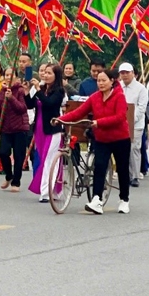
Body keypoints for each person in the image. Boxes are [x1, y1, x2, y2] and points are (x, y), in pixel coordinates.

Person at [54, 69, 131, 214]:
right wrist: (60, 119)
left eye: (104, 80)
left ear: (112, 81)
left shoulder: (119, 96)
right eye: (98, 81)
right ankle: (97, 199)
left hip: (120, 138)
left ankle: (124, 200)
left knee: (122, 169)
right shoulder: (94, 97)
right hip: (101, 138)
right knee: (99, 167)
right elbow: (78, 112)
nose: (100, 83)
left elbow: (120, 117)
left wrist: (99, 122)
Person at [27, 64, 66, 202]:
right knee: (44, 159)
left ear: (56, 76)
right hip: (39, 129)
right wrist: (28, 90)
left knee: (50, 160)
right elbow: (29, 104)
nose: (45, 75)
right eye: (44, 72)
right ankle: (52, 190)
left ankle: (46, 192)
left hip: (52, 129)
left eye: (49, 73)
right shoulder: (41, 88)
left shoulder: (59, 91)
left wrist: (38, 90)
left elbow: (49, 104)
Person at [0, 69, 30, 191]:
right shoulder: (1, 93)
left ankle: (16, 182)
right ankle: (9, 175)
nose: (9, 77)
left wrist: (12, 98)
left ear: (16, 78)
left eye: (11, 75)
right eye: (6, 75)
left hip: (19, 129)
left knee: (19, 156)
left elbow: (22, 108)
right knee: (3, 153)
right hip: (5, 129)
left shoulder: (20, 91)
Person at [118, 63, 148, 187]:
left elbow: (141, 109)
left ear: (132, 73)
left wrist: (131, 120)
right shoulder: (117, 87)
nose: (125, 75)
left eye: (127, 72)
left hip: (135, 124)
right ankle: (125, 174)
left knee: (134, 149)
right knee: (122, 149)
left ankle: (135, 175)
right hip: (119, 123)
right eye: (122, 73)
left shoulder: (141, 88)